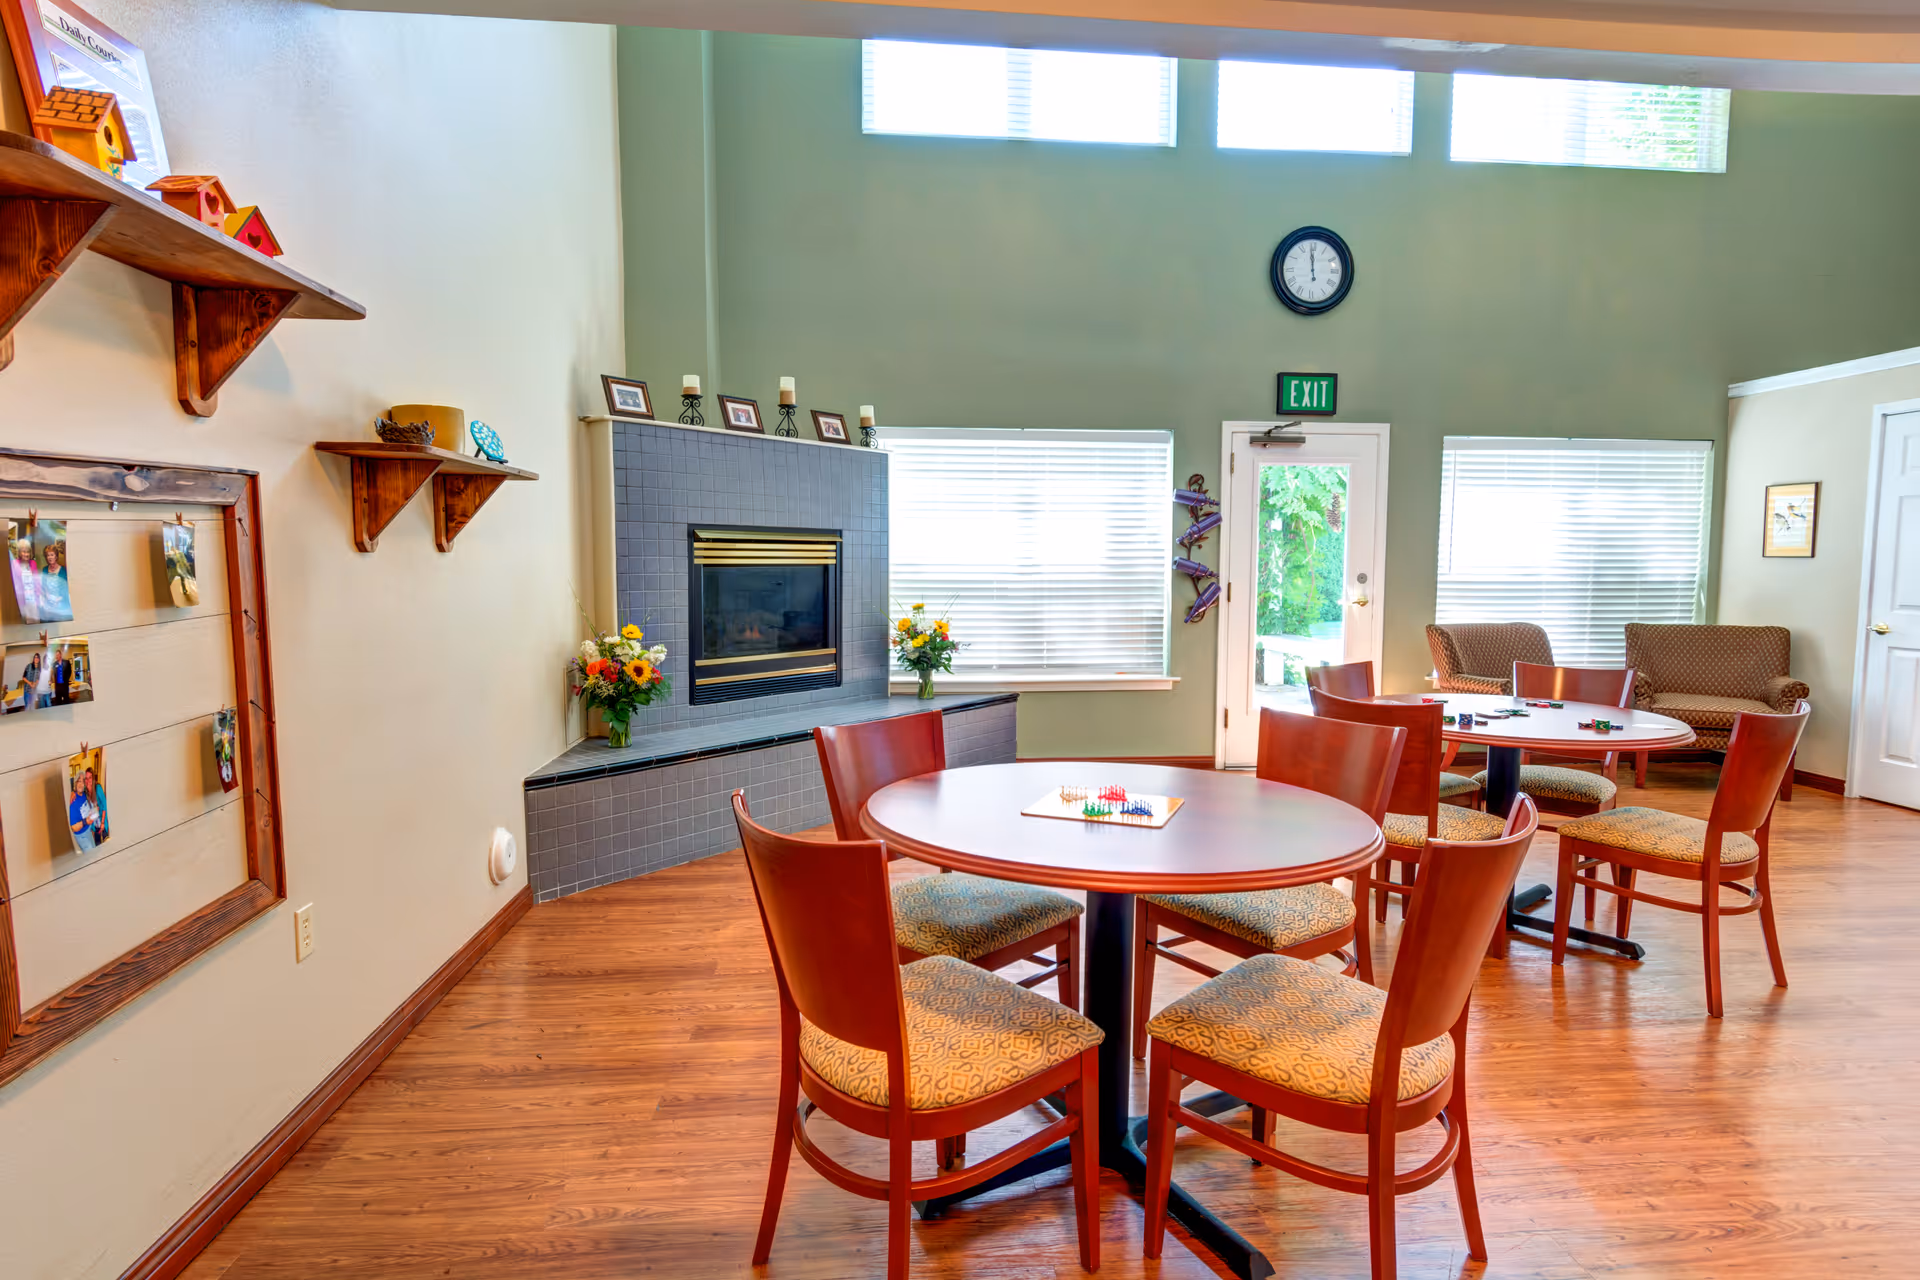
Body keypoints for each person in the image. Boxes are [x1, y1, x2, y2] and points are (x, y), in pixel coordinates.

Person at [37, 541, 70, 621]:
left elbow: (66, 590)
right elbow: (43, 587)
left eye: (52, 555)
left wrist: (57, 600)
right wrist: (47, 597)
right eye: (48, 555)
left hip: (60, 605)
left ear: (56, 556)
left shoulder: (63, 571)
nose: (50, 557)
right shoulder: (45, 570)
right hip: (48, 605)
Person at [68, 769, 96, 853]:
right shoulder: (73, 801)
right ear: (75, 783)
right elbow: (73, 827)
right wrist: (86, 821)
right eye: (78, 781)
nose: (81, 784)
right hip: (81, 835)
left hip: (88, 830)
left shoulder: (84, 795)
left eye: (83, 782)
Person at [84, 767, 108, 845]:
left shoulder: (97, 788)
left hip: (102, 823)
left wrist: (102, 823)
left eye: (90, 777)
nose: (88, 780)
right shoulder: (86, 793)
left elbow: (104, 805)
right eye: (86, 778)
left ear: (93, 778)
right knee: (98, 846)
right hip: (95, 825)